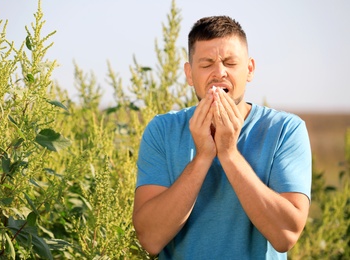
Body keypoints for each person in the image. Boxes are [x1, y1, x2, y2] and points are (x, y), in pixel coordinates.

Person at [132, 15, 312, 259]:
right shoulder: (162, 130)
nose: (219, 73)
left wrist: (228, 153)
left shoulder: (285, 130)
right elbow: (150, 240)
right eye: (206, 64)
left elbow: (286, 235)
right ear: (189, 74)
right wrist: (203, 157)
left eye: (230, 62)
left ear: (249, 69)